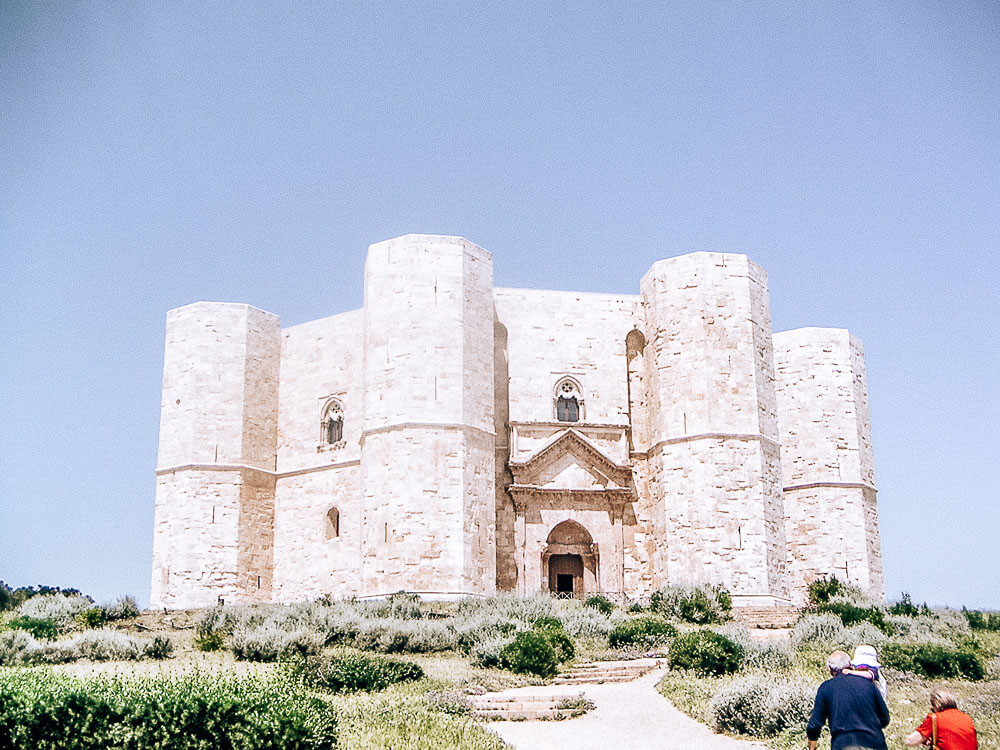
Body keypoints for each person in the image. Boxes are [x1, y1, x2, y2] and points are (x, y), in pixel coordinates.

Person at [807, 650, 890, 750]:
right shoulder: (868, 685)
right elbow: (884, 719)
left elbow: (814, 724)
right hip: (875, 743)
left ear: (830, 669)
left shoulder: (826, 688)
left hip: (843, 744)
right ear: (850, 665)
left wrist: (812, 747)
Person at [904, 687, 978, 750]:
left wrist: (925, 739)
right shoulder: (967, 718)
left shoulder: (935, 718)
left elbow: (910, 741)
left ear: (936, 704)